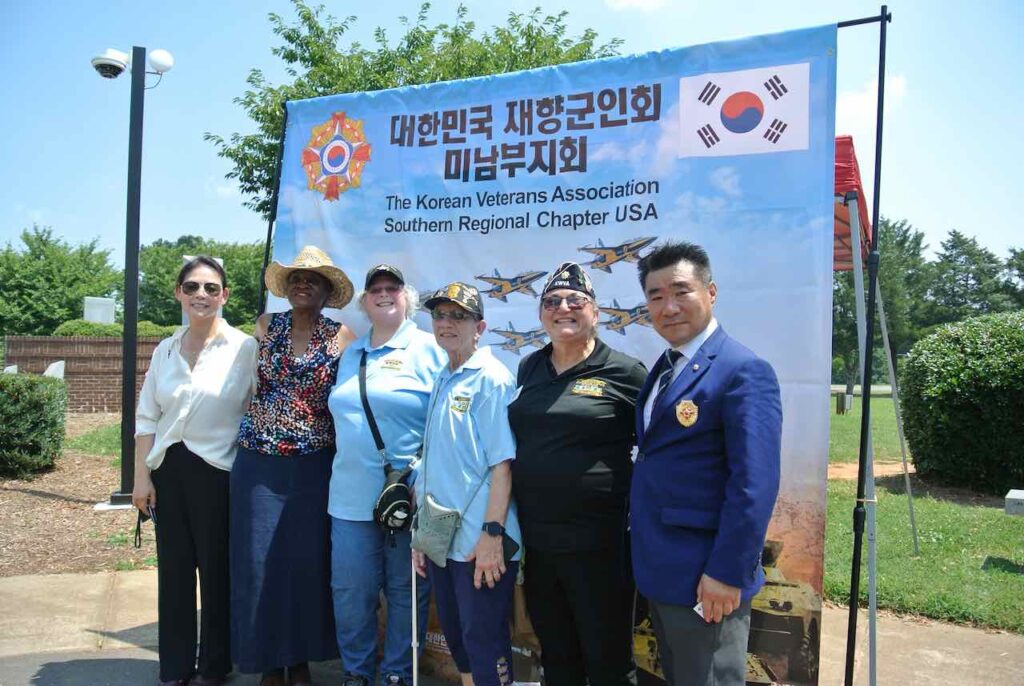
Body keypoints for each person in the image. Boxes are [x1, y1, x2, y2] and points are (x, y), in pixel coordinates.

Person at [631, 241, 782, 686]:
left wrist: (727, 572)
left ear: (710, 293)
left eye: (681, 291)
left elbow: (754, 484)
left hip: (706, 577)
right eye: (656, 296)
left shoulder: (742, 369)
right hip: (663, 569)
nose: (668, 307)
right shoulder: (666, 367)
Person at [507, 262, 647, 686]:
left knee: (608, 662)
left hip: (600, 548)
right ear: (541, 314)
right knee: (557, 656)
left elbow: (656, 450)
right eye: (552, 301)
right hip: (539, 546)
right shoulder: (529, 368)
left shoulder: (626, 372)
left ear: (596, 313)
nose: (563, 308)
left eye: (575, 300)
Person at [231, 246, 356, 686]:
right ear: (286, 289)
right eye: (297, 279)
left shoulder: (342, 336)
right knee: (259, 560)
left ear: (326, 292)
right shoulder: (266, 325)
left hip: (313, 465)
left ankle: (300, 659)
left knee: (306, 561)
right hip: (258, 461)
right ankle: (268, 660)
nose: (304, 284)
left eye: (313, 280)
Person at [133, 256, 258, 686]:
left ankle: (215, 665)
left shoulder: (244, 348)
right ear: (178, 294)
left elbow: (258, 408)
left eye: (210, 288)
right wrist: (141, 479)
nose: (200, 294)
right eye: (191, 287)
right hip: (169, 471)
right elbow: (147, 416)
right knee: (174, 571)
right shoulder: (165, 349)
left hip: (218, 472)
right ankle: (176, 665)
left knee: (217, 571)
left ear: (224, 295)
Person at [328, 265, 445, 686]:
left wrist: (423, 479)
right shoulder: (352, 353)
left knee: (406, 590)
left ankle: (397, 673)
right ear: (364, 301)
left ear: (406, 297)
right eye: (375, 289)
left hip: (406, 498)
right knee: (352, 592)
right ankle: (356, 673)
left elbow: (445, 425)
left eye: (392, 288)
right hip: (349, 497)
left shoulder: (431, 349)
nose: (383, 294)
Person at [412, 282, 521, 686]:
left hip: (480, 541)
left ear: (480, 327)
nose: (447, 323)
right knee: (458, 641)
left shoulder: (491, 379)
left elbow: (503, 465)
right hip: (444, 538)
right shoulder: (445, 375)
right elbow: (437, 463)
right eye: (440, 315)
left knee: (484, 643)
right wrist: (422, 534)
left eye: (459, 316)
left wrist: (492, 535)